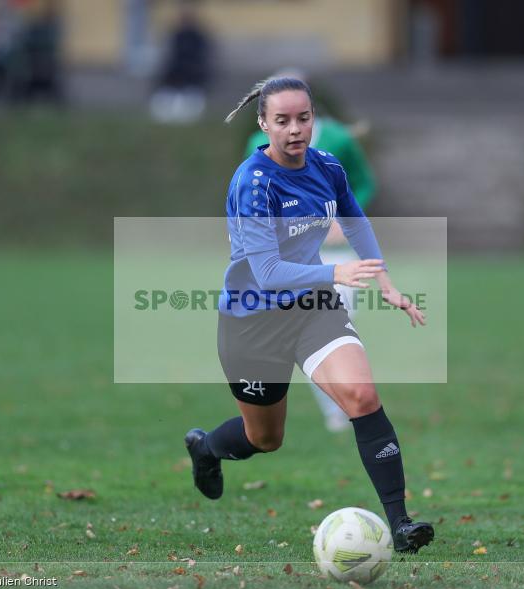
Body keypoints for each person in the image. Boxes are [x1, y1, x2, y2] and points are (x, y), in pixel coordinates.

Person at [184, 77, 434, 553]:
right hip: (251, 324)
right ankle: (207, 448)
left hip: (311, 308)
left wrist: (385, 282)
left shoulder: (327, 166)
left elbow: (355, 217)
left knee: (361, 395)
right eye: (282, 121)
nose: (295, 129)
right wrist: (336, 270)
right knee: (265, 437)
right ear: (263, 124)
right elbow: (269, 272)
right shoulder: (251, 183)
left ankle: (401, 525)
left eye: (303, 118)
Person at [243, 70, 376, 433]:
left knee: (338, 320)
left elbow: (363, 184)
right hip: (288, 262)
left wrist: (339, 219)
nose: (292, 124)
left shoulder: (337, 138)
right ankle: (337, 407)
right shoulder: (257, 141)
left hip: (338, 254)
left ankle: (345, 401)